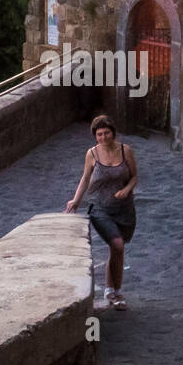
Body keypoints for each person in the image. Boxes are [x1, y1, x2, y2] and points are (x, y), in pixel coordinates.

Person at [64, 115, 138, 310]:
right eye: (99, 134)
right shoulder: (92, 154)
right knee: (117, 244)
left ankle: (112, 290)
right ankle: (116, 292)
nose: (103, 137)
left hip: (124, 209)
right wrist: (76, 200)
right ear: (95, 136)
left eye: (106, 133)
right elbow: (85, 178)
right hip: (99, 208)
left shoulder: (125, 151)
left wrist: (127, 189)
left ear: (113, 132)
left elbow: (134, 177)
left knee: (116, 250)